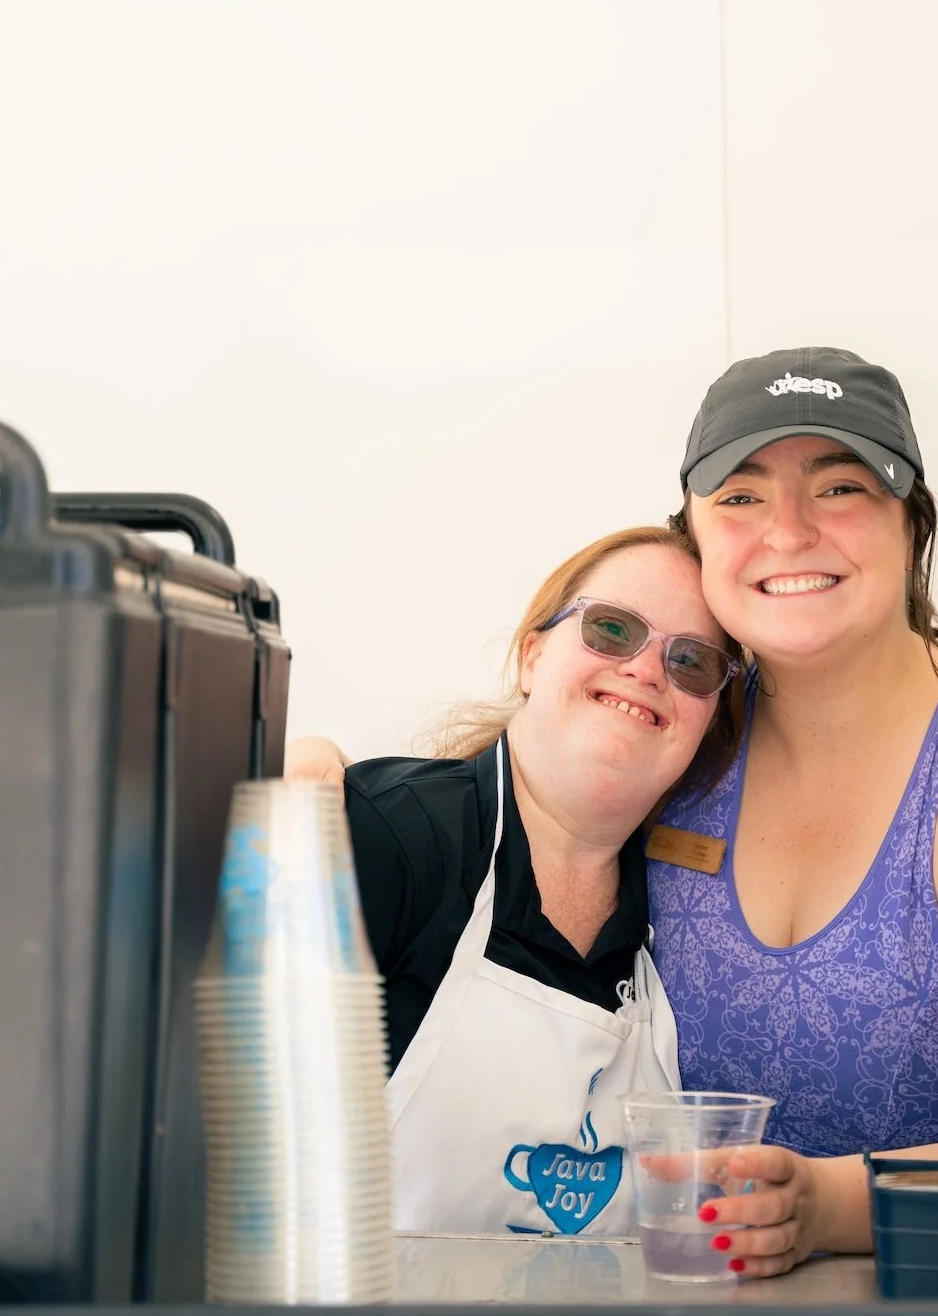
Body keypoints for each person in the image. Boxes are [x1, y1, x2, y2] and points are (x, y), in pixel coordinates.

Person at [290, 525, 741, 1238]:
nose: (649, 670)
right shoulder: (384, 838)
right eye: (613, 628)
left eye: (692, 661)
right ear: (532, 656)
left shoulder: (690, 912)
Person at [647, 346, 938, 1277]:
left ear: (911, 524)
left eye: (838, 487)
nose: (787, 533)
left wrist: (834, 1202)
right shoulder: (674, 735)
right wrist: (319, 772)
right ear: (696, 539)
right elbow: (496, 803)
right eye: (741, 498)